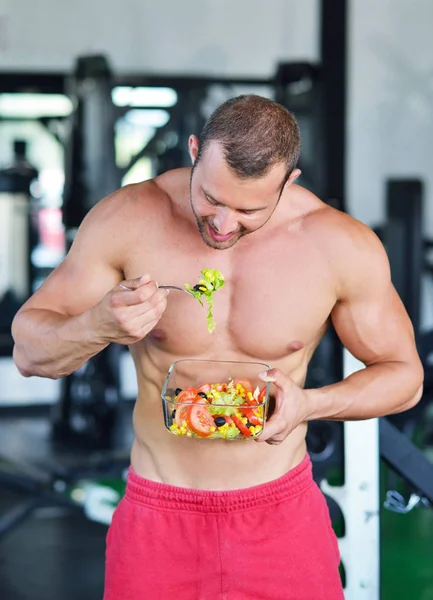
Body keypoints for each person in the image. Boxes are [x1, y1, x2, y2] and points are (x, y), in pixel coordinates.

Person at [12, 95, 423, 600]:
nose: (224, 225)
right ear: (192, 151)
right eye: (210, 198)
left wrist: (312, 404)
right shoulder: (128, 219)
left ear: (288, 181)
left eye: (249, 209)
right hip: (158, 516)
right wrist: (98, 325)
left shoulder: (338, 245)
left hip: (280, 516)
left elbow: (406, 378)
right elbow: (30, 352)